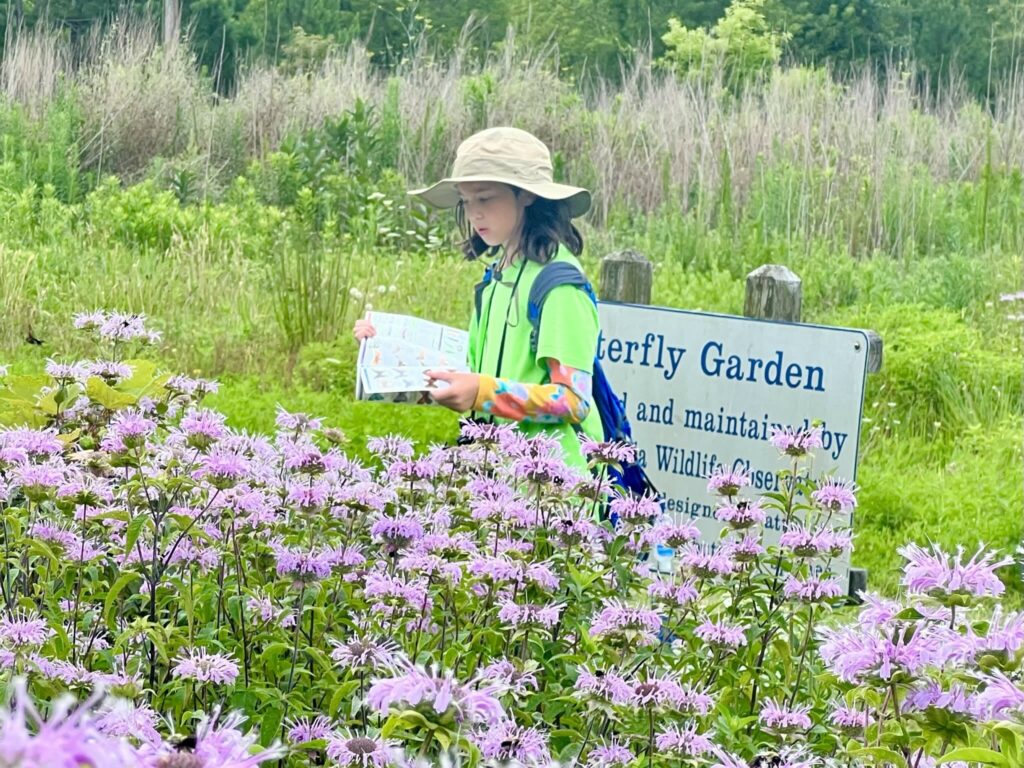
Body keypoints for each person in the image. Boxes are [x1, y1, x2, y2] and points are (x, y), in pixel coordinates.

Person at [353, 126, 604, 472]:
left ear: (527, 195)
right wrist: (389, 351)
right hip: (496, 484)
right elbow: (472, 372)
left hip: (554, 496)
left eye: (485, 198)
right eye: (466, 201)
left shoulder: (559, 285)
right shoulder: (497, 275)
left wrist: (483, 393)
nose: (474, 214)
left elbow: (574, 401)